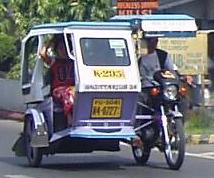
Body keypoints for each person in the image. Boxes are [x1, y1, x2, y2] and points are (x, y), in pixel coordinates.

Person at [39, 35, 75, 126]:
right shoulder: (54, 61)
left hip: (72, 88)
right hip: (59, 90)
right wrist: (50, 41)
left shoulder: (74, 61)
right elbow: (43, 53)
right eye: (60, 48)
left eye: (65, 48)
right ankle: (70, 120)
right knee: (68, 95)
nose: (62, 51)